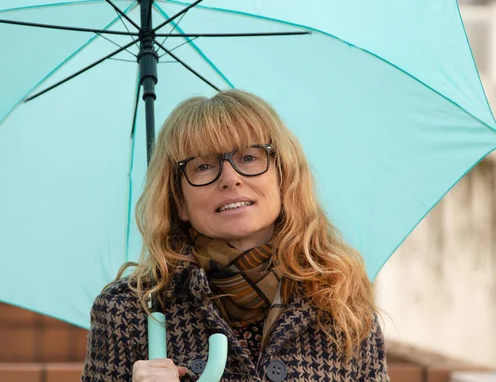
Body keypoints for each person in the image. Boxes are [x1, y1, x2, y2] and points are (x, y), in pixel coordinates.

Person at [81, 89, 389, 381]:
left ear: (283, 176)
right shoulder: (129, 311)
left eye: (249, 157)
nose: (230, 179)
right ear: (179, 201)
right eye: (202, 166)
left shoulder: (341, 305)